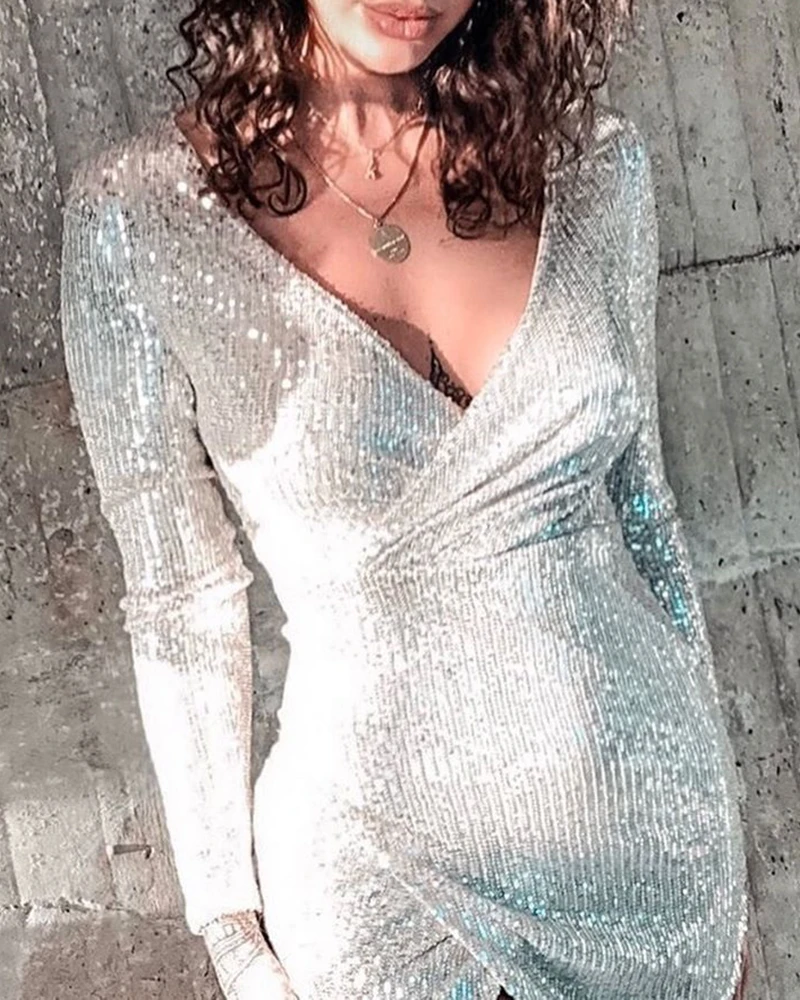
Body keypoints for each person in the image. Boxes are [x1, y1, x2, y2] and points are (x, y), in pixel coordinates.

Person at [59, 0, 752, 997]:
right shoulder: (138, 215)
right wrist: (230, 935)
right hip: (378, 890)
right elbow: (181, 602)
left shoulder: (594, 166)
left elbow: (644, 510)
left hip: (650, 863)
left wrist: (721, 864)